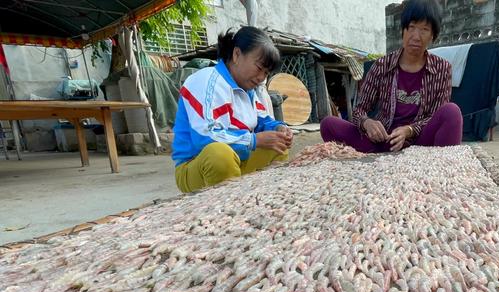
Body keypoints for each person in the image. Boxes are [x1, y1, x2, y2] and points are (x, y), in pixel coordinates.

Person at [320, 0, 463, 153]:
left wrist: (409, 130)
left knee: (451, 111)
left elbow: (435, 115)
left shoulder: (442, 68)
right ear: (403, 30)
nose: (416, 36)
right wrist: (367, 122)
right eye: (411, 27)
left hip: (420, 144)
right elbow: (359, 110)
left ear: (433, 36)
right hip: (383, 141)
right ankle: (383, 155)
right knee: (328, 124)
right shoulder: (382, 65)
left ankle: (440, 167)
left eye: (424, 29)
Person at [172, 26, 294, 192]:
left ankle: (262, 198)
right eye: (259, 68)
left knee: (278, 147)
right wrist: (254, 140)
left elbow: (263, 120)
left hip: (239, 160)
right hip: (195, 166)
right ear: (237, 55)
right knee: (219, 155)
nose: (261, 78)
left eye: (266, 73)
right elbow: (206, 136)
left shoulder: (249, 89)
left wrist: (279, 128)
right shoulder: (206, 81)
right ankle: (229, 205)